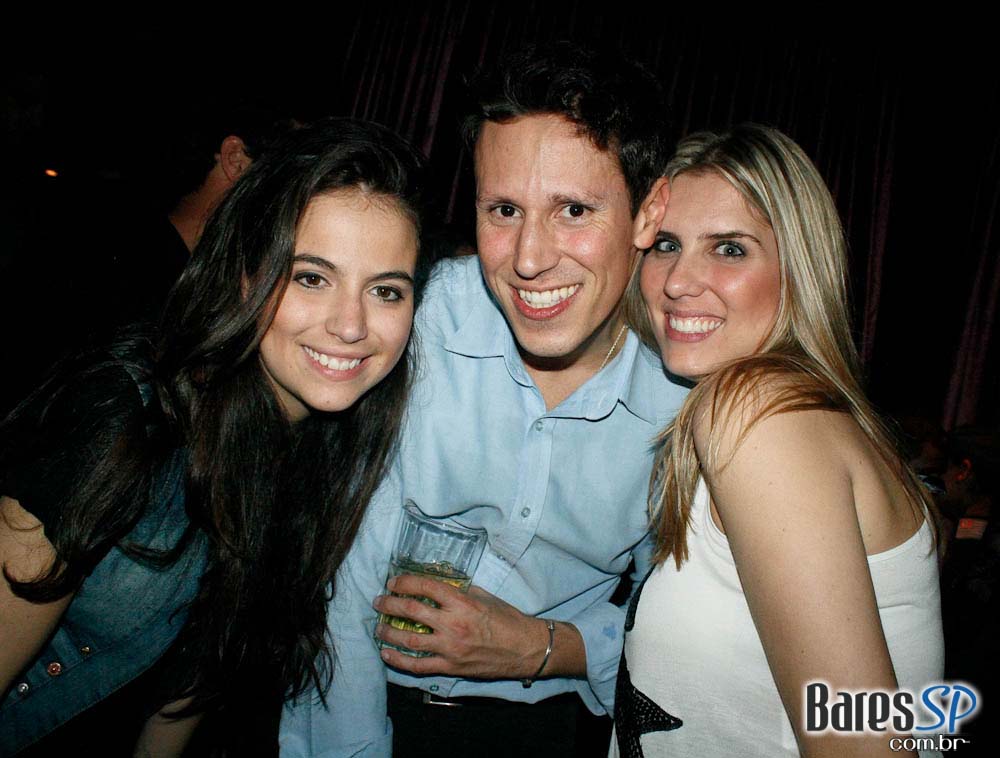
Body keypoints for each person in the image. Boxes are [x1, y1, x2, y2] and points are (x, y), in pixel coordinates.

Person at [279, 43, 688, 757]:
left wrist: (548, 647)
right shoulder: (418, 321)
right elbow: (344, 579)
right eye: (503, 209)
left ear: (648, 213)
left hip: (550, 728)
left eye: (573, 210)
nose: (528, 258)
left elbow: (684, 628)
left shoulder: (686, 402)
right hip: (353, 703)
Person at [0, 118, 430, 756]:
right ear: (246, 275)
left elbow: (184, 698)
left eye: (386, 291)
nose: (351, 325)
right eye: (311, 277)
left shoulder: (324, 463)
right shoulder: (124, 419)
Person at [612, 125, 944, 758]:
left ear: (798, 269)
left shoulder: (758, 412)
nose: (678, 280)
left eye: (729, 249)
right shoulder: (793, 409)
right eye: (665, 245)